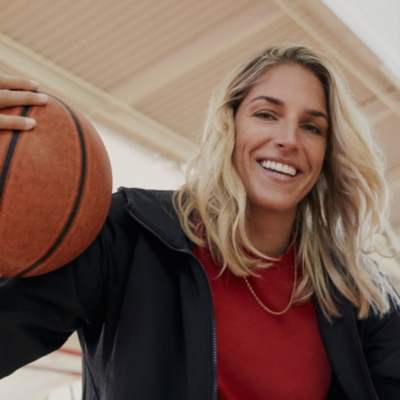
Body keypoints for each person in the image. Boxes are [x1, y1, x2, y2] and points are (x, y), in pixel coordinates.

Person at [0, 43, 399, 400]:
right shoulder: (129, 234)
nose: (289, 139)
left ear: (329, 153)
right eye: (266, 114)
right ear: (230, 124)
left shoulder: (361, 297)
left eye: (312, 127)